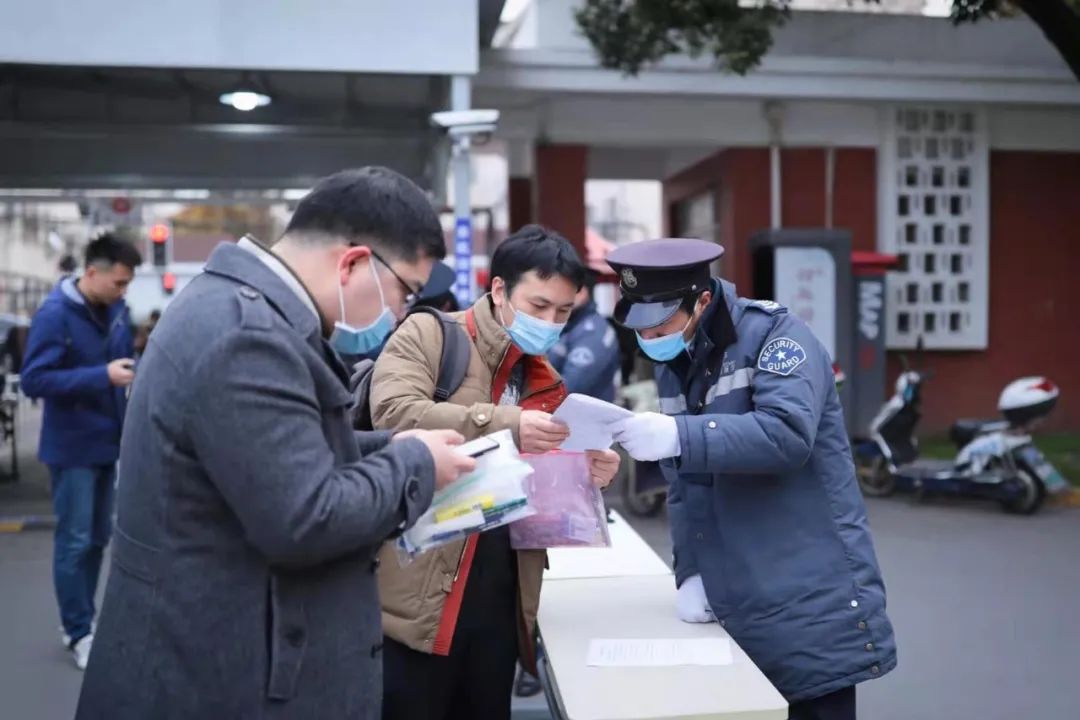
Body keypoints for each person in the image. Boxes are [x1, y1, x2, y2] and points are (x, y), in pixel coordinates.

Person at [75, 167, 476, 720]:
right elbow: (305, 516)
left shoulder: (238, 309)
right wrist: (414, 463)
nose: (403, 311)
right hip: (221, 679)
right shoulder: (249, 336)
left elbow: (274, 454)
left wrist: (389, 444)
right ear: (354, 262)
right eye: (405, 290)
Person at [607, 238, 896, 720]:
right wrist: (691, 572)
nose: (652, 336)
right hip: (735, 597)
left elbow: (787, 436)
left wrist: (679, 434)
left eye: (662, 324)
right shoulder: (676, 365)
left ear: (701, 301)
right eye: (643, 326)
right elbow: (686, 486)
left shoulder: (778, 338)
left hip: (808, 599)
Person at [369, 224, 621, 720]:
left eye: (564, 312)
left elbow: (530, 483)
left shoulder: (541, 374)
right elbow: (395, 415)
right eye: (539, 306)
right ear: (499, 289)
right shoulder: (431, 334)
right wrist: (507, 423)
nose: (550, 322)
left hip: (502, 595)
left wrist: (584, 473)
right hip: (421, 598)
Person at [20, 233, 142, 670]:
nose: (124, 291)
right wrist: (101, 376)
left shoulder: (115, 310)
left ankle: (84, 622)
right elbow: (35, 379)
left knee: (97, 540)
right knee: (74, 542)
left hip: (108, 443)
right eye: (120, 282)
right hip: (71, 448)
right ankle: (78, 630)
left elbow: (120, 364)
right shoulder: (54, 316)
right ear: (93, 272)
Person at [547, 269, 621, 402]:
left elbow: (570, 387)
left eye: (570, 290)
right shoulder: (567, 323)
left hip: (585, 419)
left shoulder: (594, 333)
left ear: (583, 293)